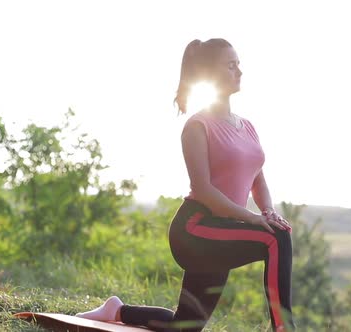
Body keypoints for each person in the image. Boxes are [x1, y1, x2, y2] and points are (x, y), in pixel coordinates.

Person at [75, 38, 295, 332]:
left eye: (238, 64)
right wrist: (253, 219)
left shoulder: (247, 126)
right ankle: (284, 327)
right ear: (210, 73)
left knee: (185, 327)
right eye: (231, 65)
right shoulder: (197, 126)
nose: (239, 71)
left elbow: (259, 179)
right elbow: (203, 190)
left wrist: (268, 211)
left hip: (223, 231)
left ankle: (118, 310)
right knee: (276, 239)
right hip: (195, 229)